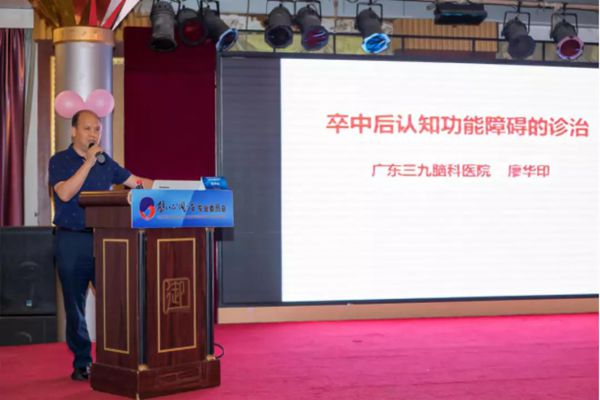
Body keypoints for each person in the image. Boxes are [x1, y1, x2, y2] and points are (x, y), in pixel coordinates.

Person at [49, 109, 153, 381]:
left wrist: (172, 189)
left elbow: (137, 182)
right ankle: (82, 361)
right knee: (75, 305)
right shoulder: (60, 160)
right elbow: (65, 193)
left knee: (116, 299)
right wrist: (88, 163)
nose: (93, 133)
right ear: (73, 131)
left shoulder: (107, 163)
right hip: (71, 239)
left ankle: (119, 357)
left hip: (106, 240)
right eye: (87, 128)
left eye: (97, 129)